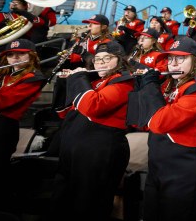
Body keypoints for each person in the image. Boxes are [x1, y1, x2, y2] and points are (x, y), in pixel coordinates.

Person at [127, 37, 196, 221]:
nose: (173, 64)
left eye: (181, 58)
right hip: (157, 163)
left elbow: (160, 123)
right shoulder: (168, 84)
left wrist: (150, 86)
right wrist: (141, 84)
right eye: (170, 59)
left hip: (184, 167)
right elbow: (138, 121)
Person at [51, 41, 135, 221]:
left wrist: (79, 78)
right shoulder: (94, 82)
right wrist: (66, 82)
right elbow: (63, 113)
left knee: (88, 204)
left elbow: (93, 106)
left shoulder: (124, 82)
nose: (101, 63)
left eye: (107, 58)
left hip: (99, 151)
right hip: (74, 150)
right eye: (97, 59)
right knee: (63, 200)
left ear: (119, 61)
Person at [0, 38, 45, 212]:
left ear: (31, 55)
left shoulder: (33, 78)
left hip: (2, 127)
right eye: (11, 55)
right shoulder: (3, 74)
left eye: (20, 54)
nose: (15, 58)